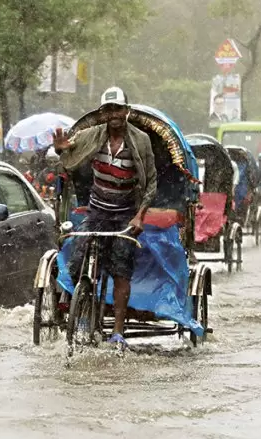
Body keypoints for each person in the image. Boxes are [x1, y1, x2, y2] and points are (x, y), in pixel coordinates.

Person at [52, 87, 157, 353]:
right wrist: (59, 149)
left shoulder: (141, 141)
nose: (114, 116)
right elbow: (67, 153)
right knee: (77, 264)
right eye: (108, 111)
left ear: (126, 111)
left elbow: (151, 183)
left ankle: (118, 331)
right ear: (102, 114)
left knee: (121, 270)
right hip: (97, 211)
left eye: (118, 110)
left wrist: (139, 215)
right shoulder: (90, 136)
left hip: (125, 213)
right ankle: (86, 307)